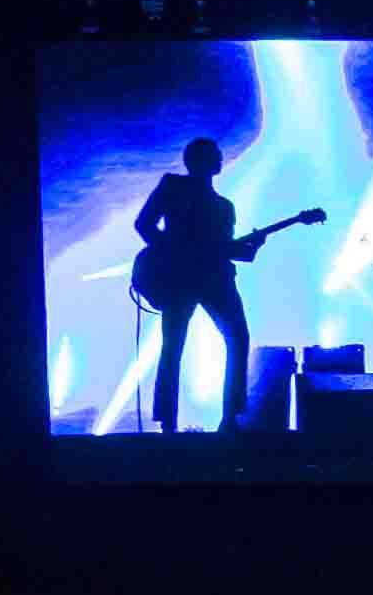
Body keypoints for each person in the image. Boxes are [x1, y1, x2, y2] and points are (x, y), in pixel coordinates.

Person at [122, 135, 321, 437]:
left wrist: (256, 243)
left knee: (231, 340)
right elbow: (143, 224)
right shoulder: (172, 186)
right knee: (178, 346)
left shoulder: (224, 207)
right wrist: (174, 252)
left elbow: (232, 252)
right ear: (198, 160)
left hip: (213, 278)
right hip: (182, 278)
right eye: (214, 154)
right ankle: (172, 422)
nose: (220, 158)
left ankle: (227, 418)